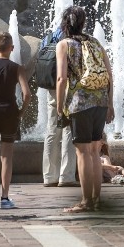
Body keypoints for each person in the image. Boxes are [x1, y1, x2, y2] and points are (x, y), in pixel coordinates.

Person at [56, 6, 114, 213]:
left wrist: (60, 105)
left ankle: (86, 201)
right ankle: (96, 200)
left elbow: (62, 78)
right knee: (94, 152)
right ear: (83, 23)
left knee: (82, 153)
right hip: (100, 101)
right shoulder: (96, 43)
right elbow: (109, 75)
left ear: (65, 23)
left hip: (80, 103)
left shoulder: (64, 45)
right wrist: (110, 103)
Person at [0, 32, 31, 209]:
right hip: (10, 112)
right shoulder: (18, 68)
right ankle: (5, 197)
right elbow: (27, 95)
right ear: (12, 48)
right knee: (6, 155)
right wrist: (20, 113)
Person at [41, 26, 78, 188]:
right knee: (68, 129)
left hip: (52, 87)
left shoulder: (49, 37)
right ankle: (66, 175)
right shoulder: (73, 40)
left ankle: (49, 176)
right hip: (68, 86)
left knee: (52, 129)